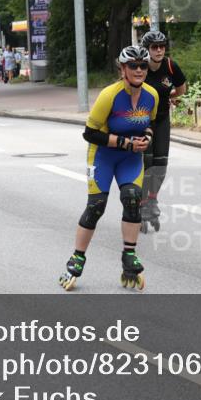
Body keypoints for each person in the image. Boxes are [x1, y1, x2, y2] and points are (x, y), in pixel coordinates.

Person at [59, 46, 161, 292]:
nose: (139, 70)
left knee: (133, 198)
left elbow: (151, 123)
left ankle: (129, 256)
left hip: (130, 159)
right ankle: (77, 258)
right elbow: (89, 133)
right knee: (96, 206)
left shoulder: (152, 95)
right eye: (133, 66)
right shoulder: (109, 95)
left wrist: (147, 137)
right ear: (123, 69)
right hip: (102, 156)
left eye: (143, 66)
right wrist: (125, 143)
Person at [138, 29, 188, 233]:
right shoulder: (140, 66)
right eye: (154, 47)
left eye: (162, 46)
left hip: (162, 120)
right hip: (142, 121)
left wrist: (169, 96)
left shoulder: (170, 66)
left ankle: (152, 200)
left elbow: (182, 89)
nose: (159, 50)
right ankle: (141, 203)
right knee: (147, 163)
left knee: (161, 164)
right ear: (147, 49)